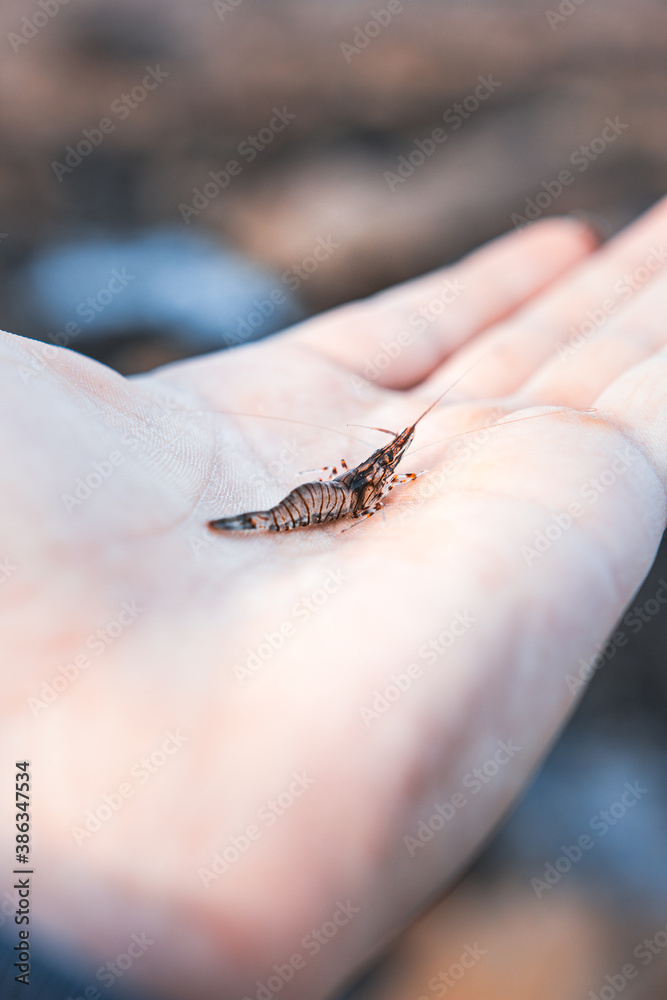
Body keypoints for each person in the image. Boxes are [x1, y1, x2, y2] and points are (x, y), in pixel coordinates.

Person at [2, 198, 666, 1000]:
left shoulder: (384, 468)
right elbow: (359, 500)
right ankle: (257, 521)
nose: (396, 456)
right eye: (393, 453)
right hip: (312, 507)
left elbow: (371, 489)